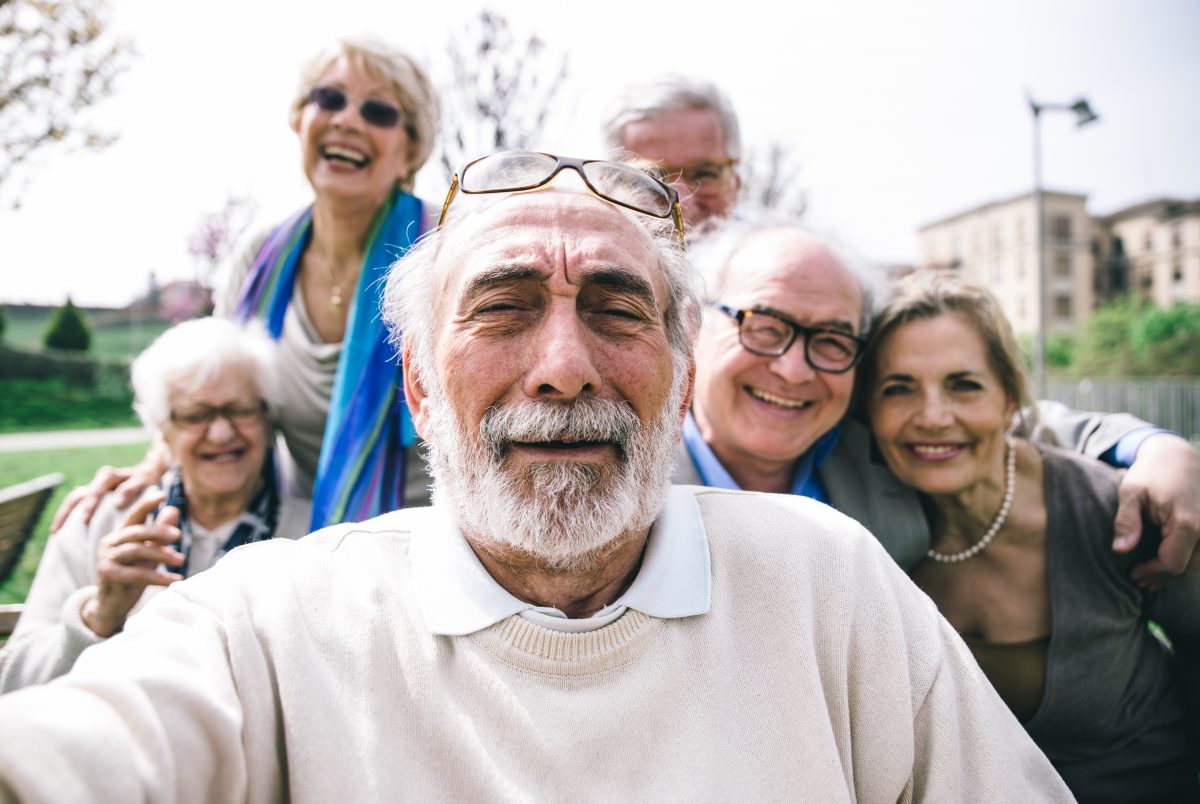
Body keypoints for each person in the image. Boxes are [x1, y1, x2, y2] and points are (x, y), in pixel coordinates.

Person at [0, 160, 1074, 802]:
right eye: (504, 307)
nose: (563, 366)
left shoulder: (826, 583)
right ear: (419, 387)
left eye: (615, 309)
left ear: (681, 372)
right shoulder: (265, 625)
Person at [51, 34, 441, 532]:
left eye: (379, 112)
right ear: (300, 119)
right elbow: (215, 386)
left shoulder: (442, 246)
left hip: (434, 535)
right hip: (303, 533)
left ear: (412, 148)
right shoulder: (261, 256)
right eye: (330, 99)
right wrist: (155, 463)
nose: (347, 120)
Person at [674, 218, 1200, 581]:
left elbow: (1017, 423)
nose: (793, 369)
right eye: (763, 327)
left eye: (832, 340)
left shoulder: (865, 434)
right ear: (695, 323)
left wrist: (1157, 448)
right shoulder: (625, 467)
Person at [860, 270, 1200, 802]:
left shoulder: (1113, 509)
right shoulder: (862, 532)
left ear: (1008, 397)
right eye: (898, 389)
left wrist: (1165, 447)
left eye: (964, 384)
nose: (932, 416)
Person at [0, 318, 311, 693]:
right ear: (162, 430)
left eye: (241, 409)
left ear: (268, 418)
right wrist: (98, 615)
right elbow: (14, 682)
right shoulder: (98, 520)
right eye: (195, 415)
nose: (221, 432)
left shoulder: (313, 536)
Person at [601, 75, 741, 226]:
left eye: (703, 174)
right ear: (611, 188)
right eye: (651, 179)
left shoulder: (766, 245)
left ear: (736, 182)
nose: (681, 205)